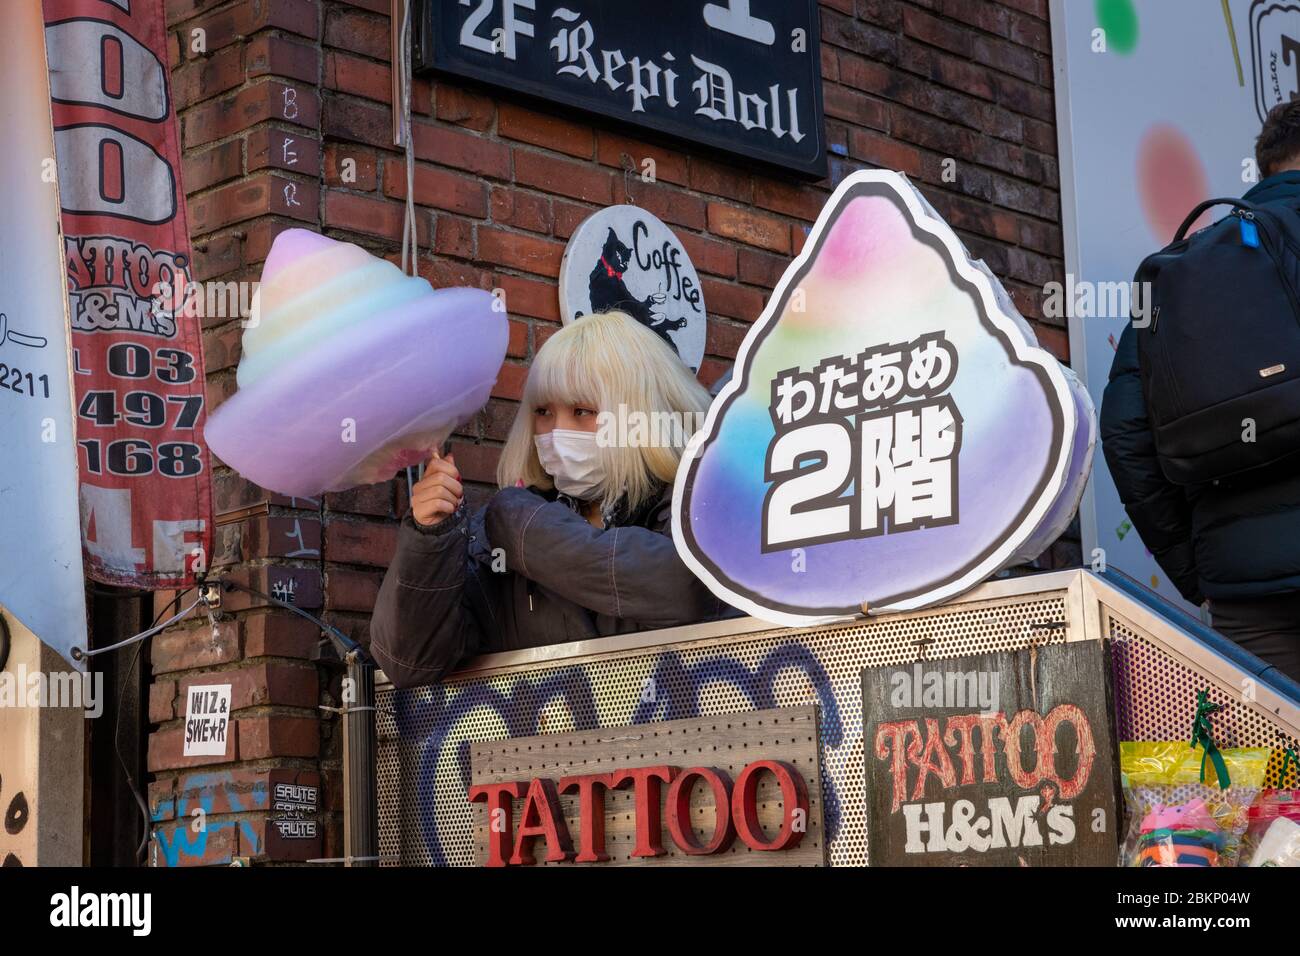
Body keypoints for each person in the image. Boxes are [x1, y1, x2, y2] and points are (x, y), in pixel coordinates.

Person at [369, 310, 732, 688]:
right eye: (543, 412)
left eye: (582, 411)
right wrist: (429, 539)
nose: (558, 431)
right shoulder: (491, 540)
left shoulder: (701, 496)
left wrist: (517, 521)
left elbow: (689, 587)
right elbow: (410, 663)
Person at [1101, 100, 1300, 684]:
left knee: (1274, 770)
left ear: (1264, 169)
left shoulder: (1182, 269)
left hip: (1242, 593)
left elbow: (1124, 431)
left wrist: (1199, 572)